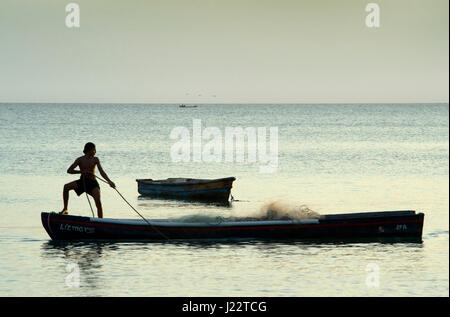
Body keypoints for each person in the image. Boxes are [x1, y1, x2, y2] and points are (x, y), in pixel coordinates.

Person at [60, 142, 115, 218]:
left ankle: (100, 220)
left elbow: (102, 172)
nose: (95, 152)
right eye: (94, 150)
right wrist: (81, 171)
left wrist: (109, 181)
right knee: (66, 187)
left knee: (98, 201)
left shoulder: (96, 159)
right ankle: (65, 209)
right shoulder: (80, 159)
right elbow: (69, 170)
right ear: (89, 150)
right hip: (82, 182)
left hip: (93, 183)